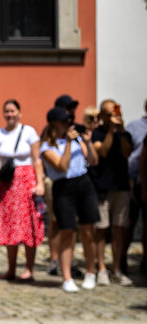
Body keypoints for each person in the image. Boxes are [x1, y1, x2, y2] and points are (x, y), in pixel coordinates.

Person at [39, 106, 98, 292]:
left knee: (88, 231)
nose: (68, 124)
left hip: (84, 183)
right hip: (63, 188)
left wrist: (87, 143)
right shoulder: (47, 146)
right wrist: (67, 145)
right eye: (64, 121)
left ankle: (90, 272)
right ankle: (66, 277)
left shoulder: (77, 139)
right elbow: (62, 166)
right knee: (68, 232)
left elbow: (94, 161)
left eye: (69, 121)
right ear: (55, 123)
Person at [0, 100, 45, 281]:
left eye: (12, 111)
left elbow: (37, 160)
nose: (9, 114)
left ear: (19, 113)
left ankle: (29, 268)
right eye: (7, 111)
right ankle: (11, 268)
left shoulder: (29, 132)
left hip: (26, 182)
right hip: (7, 184)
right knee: (10, 226)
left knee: (28, 225)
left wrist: (40, 184)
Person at [91, 99, 133, 286]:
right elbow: (103, 152)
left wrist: (121, 131)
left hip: (121, 187)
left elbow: (127, 153)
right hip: (102, 187)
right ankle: (101, 268)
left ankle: (116, 268)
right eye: (108, 114)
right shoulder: (97, 134)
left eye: (115, 113)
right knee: (101, 230)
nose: (112, 117)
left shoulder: (125, 135)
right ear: (101, 116)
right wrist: (110, 131)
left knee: (119, 229)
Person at [124, 98, 147, 275]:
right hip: (134, 181)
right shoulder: (134, 126)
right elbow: (132, 156)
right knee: (129, 222)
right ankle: (122, 258)